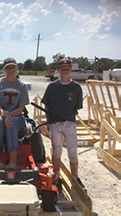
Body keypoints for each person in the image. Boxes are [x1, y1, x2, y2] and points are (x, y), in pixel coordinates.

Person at [41, 58, 85, 190]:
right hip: (55, 123)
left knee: (72, 152)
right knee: (57, 151)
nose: (65, 71)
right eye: (62, 69)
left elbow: (77, 107)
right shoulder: (52, 87)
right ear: (58, 70)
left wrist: (67, 116)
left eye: (67, 68)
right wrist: (48, 122)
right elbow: (47, 106)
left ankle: (75, 177)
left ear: (71, 70)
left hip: (70, 123)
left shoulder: (76, 87)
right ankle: (57, 176)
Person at [0, 57, 29, 170]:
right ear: (4, 70)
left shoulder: (21, 86)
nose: (11, 70)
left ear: (17, 69)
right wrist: (4, 114)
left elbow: (21, 108)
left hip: (16, 115)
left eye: (13, 67)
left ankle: (13, 160)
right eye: (8, 67)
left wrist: (8, 116)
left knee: (11, 123)